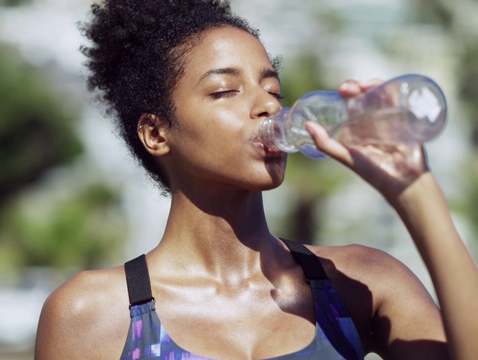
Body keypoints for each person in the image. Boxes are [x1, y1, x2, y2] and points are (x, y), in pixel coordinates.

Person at [34, 0, 478, 359]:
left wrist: (416, 192)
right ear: (156, 133)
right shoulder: (94, 314)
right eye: (226, 90)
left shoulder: (359, 283)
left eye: (273, 90)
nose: (268, 106)